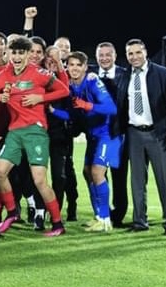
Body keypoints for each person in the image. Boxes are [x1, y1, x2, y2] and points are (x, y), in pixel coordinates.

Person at [0, 36, 70, 237]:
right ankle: (13, 212)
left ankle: (58, 224)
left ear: (26, 55)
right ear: (8, 54)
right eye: (13, 53)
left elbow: (64, 90)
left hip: (35, 131)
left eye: (21, 53)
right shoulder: (5, 74)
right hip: (14, 132)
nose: (16, 56)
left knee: (40, 181)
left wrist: (41, 97)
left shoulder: (38, 73)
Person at [112, 39, 166, 235]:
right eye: (130, 54)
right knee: (137, 181)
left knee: (165, 180)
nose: (134, 57)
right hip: (134, 133)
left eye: (138, 52)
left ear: (145, 53)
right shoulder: (124, 76)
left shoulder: (162, 73)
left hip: (157, 132)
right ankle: (139, 222)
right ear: (126, 56)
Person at [48, 52, 119, 232]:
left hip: (107, 134)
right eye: (70, 65)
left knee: (96, 172)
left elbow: (111, 108)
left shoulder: (93, 82)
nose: (74, 68)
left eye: (78, 65)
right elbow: (73, 115)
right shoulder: (70, 87)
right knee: (87, 172)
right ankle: (98, 216)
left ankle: (105, 219)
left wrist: (89, 106)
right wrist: (52, 110)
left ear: (85, 67)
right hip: (93, 136)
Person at [94, 42, 130, 226]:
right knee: (98, 174)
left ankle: (119, 214)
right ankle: (102, 211)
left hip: (119, 135)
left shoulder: (126, 75)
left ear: (115, 56)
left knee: (119, 175)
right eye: (101, 55)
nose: (105, 58)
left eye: (108, 55)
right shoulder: (91, 75)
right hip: (96, 136)